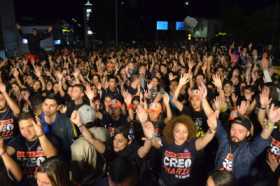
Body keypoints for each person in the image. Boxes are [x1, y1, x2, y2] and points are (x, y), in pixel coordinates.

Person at [6, 112, 57, 186]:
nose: (26, 131)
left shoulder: (50, 139)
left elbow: (52, 156)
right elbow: (8, 151)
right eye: (22, 128)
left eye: (30, 126)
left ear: (37, 124)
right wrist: (3, 152)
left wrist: (41, 135)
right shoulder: (17, 141)